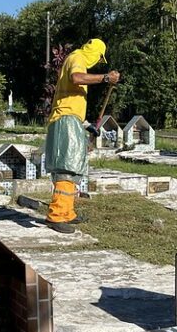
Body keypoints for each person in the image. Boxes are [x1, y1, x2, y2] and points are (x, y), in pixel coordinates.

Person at [44, 38, 120, 233]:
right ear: (94, 52)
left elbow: (71, 102)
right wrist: (105, 78)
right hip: (65, 120)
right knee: (66, 168)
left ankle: (67, 213)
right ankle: (56, 215)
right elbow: (77, 78)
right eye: (99, 58)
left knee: (75, 169)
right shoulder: (77, 58)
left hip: (72, 120)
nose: (97, 62)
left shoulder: (75, 60)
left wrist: (87, 126)